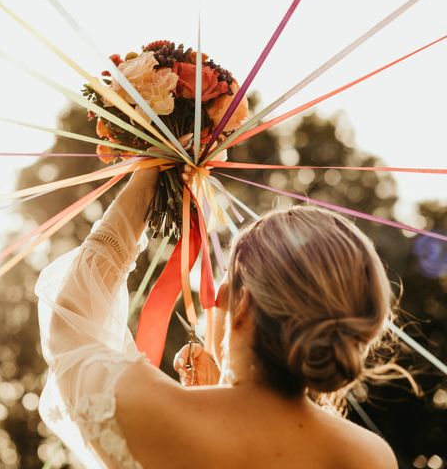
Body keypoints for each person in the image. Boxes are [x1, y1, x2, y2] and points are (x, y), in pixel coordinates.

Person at [35, 165, 399, 468]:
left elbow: (71, 322)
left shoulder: (161, 415)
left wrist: (146, 178)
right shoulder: (369, 456)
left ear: (241, 305)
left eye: (223, 289)